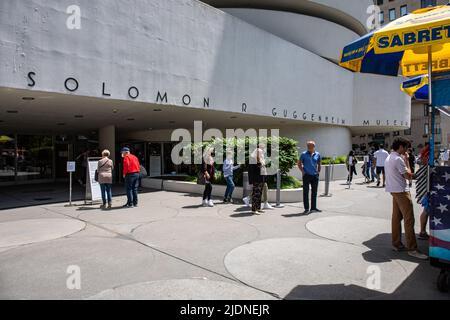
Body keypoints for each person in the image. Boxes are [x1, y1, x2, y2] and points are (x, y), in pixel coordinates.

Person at [384, 137, 428, 260]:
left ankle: (396, 243)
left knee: (396, 218)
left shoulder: (389, 157)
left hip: (394, 190)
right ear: (401, 147)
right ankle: (412, 249)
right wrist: (407, 160)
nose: (407, 150)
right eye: (406, 147)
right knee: (409, 220)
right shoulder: (398, 159)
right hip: (402, 192)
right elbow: (408, 176)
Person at [298, 141, 321, 215]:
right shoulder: (303, 154)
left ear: (314, 147)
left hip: (315, 176)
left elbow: (319, 163)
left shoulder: (317, 154)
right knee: (306, 192)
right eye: (308, 146)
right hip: (306, 175)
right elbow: (299, 164)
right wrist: (303, 172)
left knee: (314, 192)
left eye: (311, 146)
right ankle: (306, 209)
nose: (309, 148)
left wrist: (318, 172)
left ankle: (313, 208)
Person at [248, 145, 265, 215]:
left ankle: (258, 208)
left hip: (261, 178)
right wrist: (251, 180)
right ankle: (253, 209)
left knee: (260, 194)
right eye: (260, 153)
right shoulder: (253, 160)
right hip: (256, 179)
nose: (261, 154)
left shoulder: (261, 159)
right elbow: (251, 171)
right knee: (255, 194)